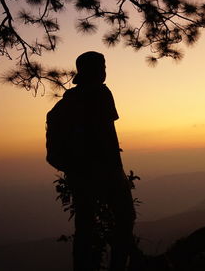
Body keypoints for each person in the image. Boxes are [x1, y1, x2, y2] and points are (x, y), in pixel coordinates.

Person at [63, 51, 136, 271]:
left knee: (84, 227)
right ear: (97, 70)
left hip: (78, 173)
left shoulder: (70, 97)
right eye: (103, 67)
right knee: (124, 218)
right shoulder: (101, 93)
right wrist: (117, 171)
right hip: (105, 170)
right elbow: (107, 134)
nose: (105, 71)